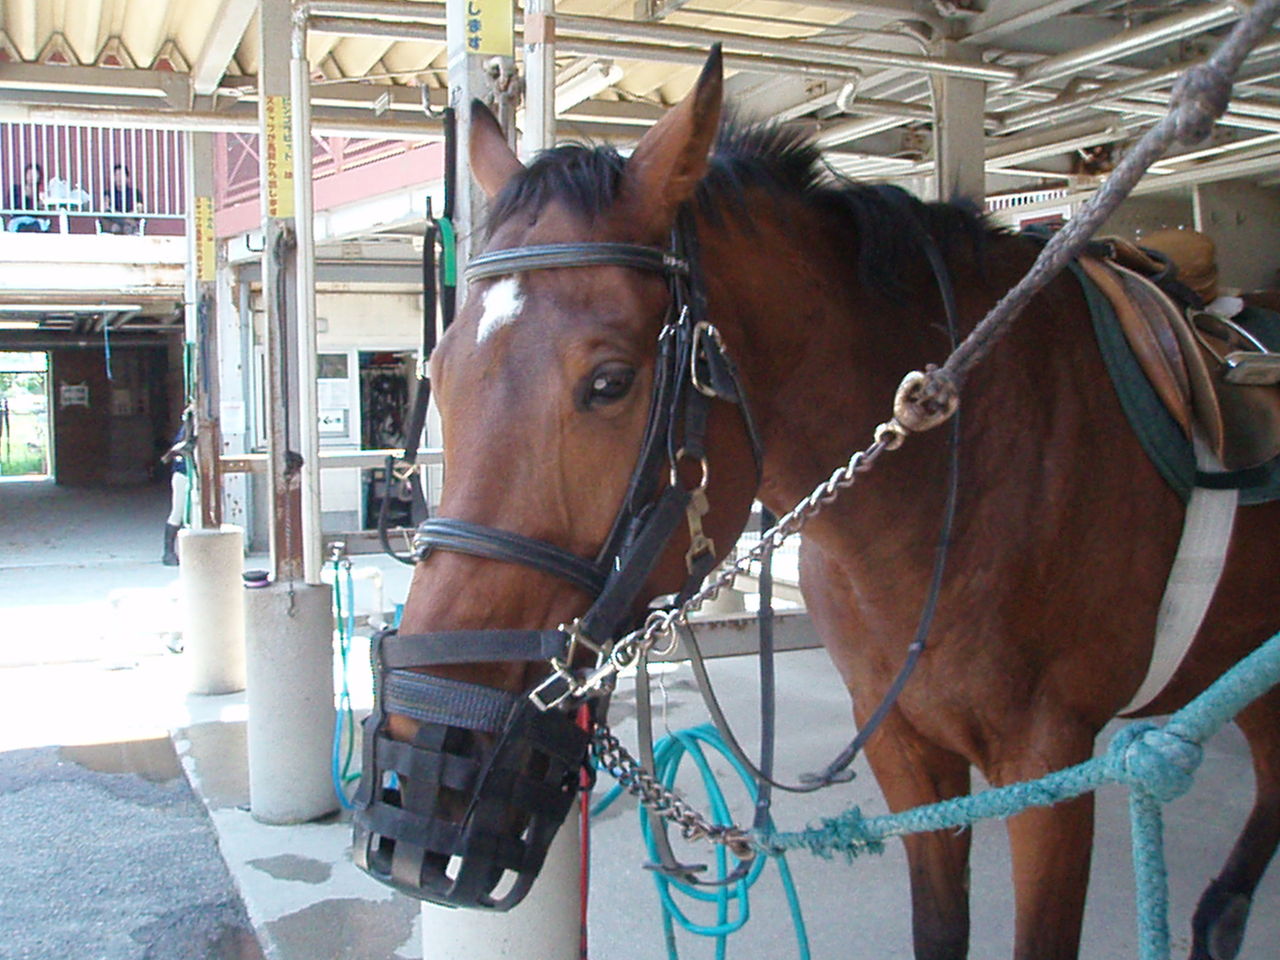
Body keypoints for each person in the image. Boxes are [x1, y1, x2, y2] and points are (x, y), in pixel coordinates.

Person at [160, 415, 193, 566]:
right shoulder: (187, 429)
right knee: (178, 512)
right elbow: (180, 447)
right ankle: (168, 551)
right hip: (183, 474)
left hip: (194, 475)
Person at [6, 164, 50, 233]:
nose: (31, 177)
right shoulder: (16, 189)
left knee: (41, 225)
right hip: (18, 219)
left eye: (34, 174)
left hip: (34, 220)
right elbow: (12, 207)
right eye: (29, 174)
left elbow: (42, 212)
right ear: (25, 175)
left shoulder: (40, 192)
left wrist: (41, 204)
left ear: (39, 177)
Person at [100, 164, 142, 235]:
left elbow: (139, 209)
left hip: (131, 221)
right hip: (114, 221)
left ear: (127, 178)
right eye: (117, 175)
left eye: (121, 175)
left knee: (128, 228)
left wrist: (127, 216)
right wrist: (121, 217)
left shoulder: (135, 193)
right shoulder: (108, 193)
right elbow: (106, 209)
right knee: (116, 227)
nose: (119, 178)